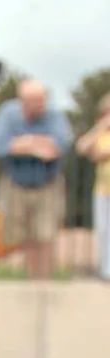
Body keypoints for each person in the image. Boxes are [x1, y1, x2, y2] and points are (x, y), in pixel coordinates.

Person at [0, 79, 74, 279]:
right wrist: (37, 144)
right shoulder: (7, 113)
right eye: (35, 101)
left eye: (42, 99)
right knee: (23, 235)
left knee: (45, 234)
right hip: (16, 184)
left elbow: (60, 145)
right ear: (22, 101)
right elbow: (1, 146)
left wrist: (22, 144)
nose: (40, 105)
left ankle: (44, 282)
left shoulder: (55, 115)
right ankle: (31, 282)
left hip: (48, 184)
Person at [76, 92, 110, 280]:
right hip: (103, 189)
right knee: (103, 230)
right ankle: (105, 269)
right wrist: (101, 126)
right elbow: (83, 147)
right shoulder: (101, 134)